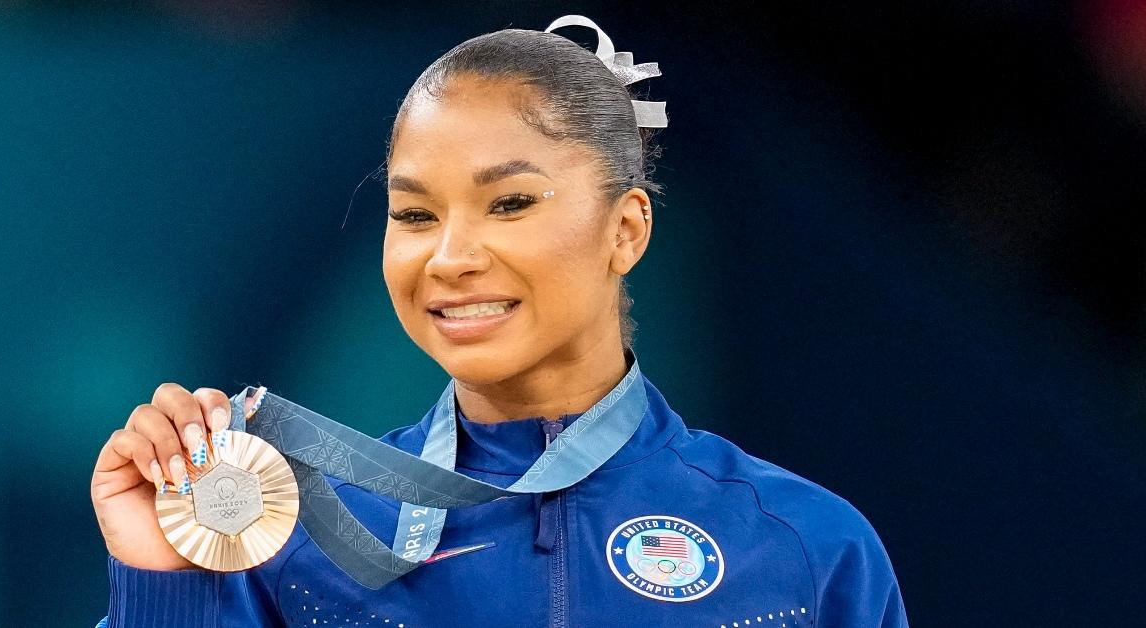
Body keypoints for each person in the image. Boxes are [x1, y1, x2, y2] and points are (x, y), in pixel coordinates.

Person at [90, 16, 908, 628]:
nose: (449, 257)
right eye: (413, 214)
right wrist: (156, 575)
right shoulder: (295, 543)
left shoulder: (806, 547)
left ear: (625, 229)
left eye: (509, 203)